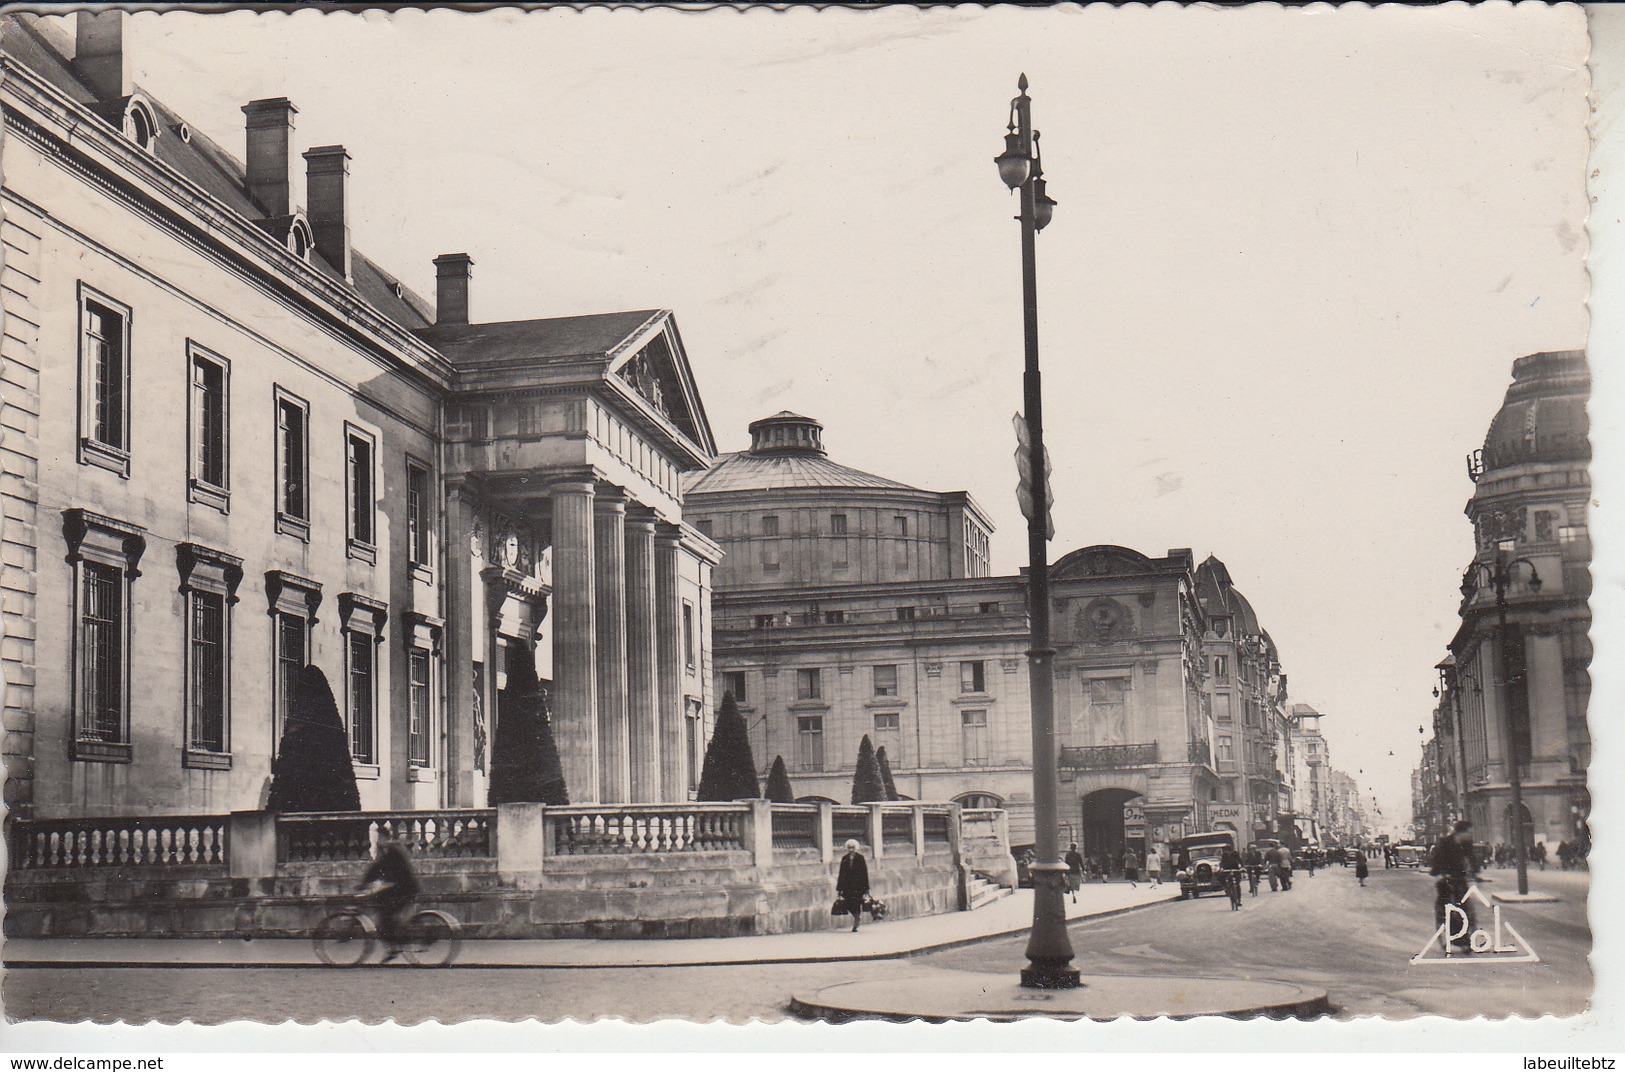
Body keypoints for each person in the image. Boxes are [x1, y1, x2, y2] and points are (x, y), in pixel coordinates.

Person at [358, 834, 421, 964]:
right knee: (386, 910)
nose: (378, 841)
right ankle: (393, 944)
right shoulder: (391, 850)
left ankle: (393, 946)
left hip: (404, 888)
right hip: (405, 887)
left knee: (384, 913)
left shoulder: (391, 850)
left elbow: (377, 868)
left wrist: (364, 884)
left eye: (380, 838)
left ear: (385, 838)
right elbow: (379, 868)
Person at [1430, 819, 1480, 954]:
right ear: (1461, 832)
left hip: (1459, 879)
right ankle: (1453, 937)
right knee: (1449, 909)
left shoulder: (1466, 844)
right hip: (1446, 879)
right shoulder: (1445, 842)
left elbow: (1471, 858)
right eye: (1469, 832)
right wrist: (1439, 872)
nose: (1471, 835)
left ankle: (1466, 938)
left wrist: (1475, 872)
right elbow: (1437, 860)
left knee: (1466, 908)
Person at [836, 839, 870, 932]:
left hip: (857, 886)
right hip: (847, 886)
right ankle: (856, 916)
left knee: (856, 903)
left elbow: (864, 873)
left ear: (856, 848)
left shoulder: (860, 858)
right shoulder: (845, 858)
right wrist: (839, 888)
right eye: (849, 847)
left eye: (852, 847)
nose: (851, 849)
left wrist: (866, 888)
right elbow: (841, 873)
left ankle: (856, 921)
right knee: (848, 904)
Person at [1218, 844, 1244, 910]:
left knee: (1222, 878)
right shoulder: (1235, 853)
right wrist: (1242, 867)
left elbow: (1222, 862)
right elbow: (1240, 860)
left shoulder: (1224, 854)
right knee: (1237, 884)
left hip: (1228, 870)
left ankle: (1226, 888)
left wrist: (1221, 869)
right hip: (1235, 869)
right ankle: (1239, 900)